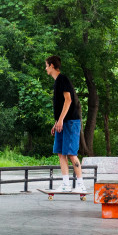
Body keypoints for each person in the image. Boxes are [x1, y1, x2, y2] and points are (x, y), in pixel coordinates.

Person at [44, 55, 84, 192]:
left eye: (46, 66)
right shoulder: (56, 82)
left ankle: (80, 184)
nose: (45, 69)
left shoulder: (63, 79)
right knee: (61, 153)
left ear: (52, 66)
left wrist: (60, 120)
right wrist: (56, 122)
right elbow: (60, 105)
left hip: (71, 122)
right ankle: (66, 183)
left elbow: (68, 100)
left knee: (71, 153)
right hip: (61, 122)